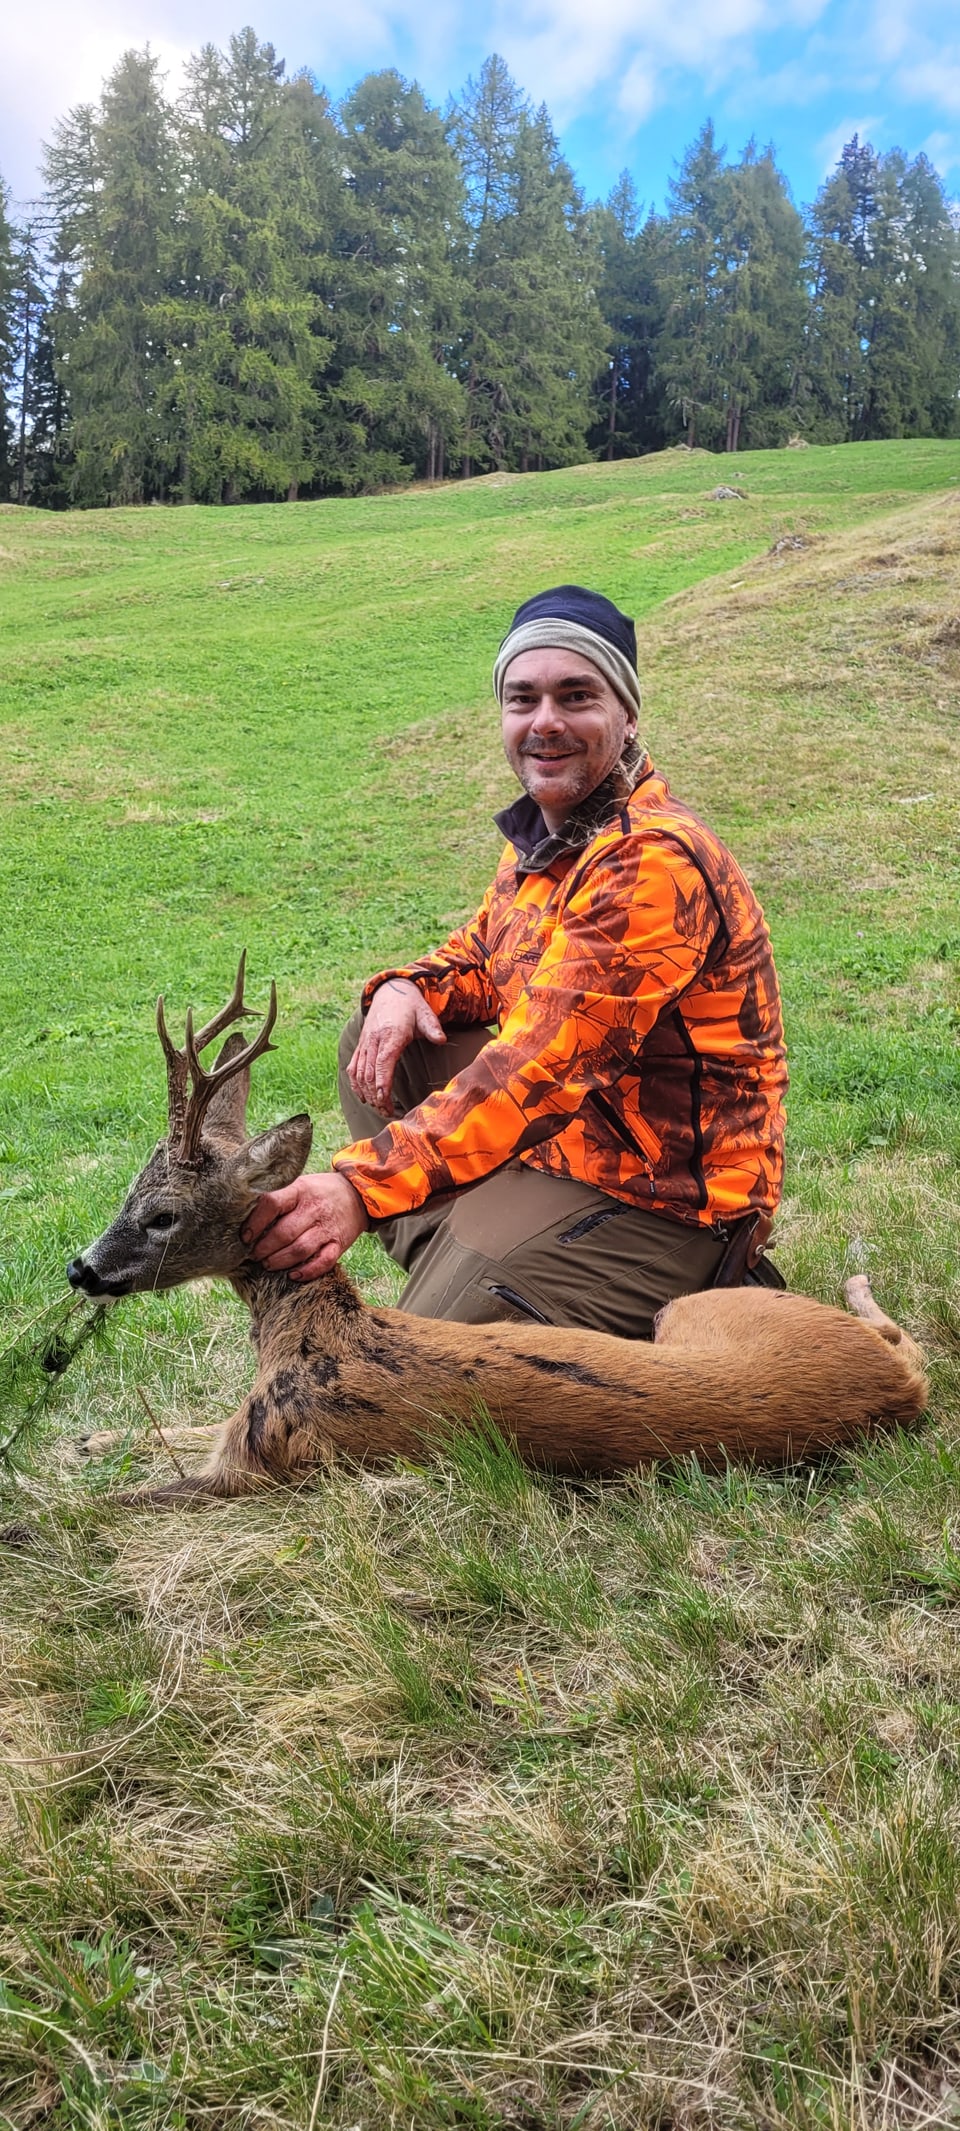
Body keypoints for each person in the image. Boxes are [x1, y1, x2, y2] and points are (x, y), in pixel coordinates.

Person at [242, 585, 788, 1338]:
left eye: (576, 695)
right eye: (522, 698)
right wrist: (407, 987)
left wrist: (360, 1189)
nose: (546, 721)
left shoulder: (651, 861)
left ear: (627, 715)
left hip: (668, 1200)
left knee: (432, 1376)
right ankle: (478, 1260)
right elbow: (483, 955)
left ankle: (622, 1284)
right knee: (379, 1029)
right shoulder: (551, 836)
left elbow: (543, 1064)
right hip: (572, 1147)